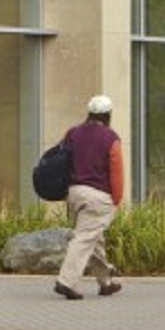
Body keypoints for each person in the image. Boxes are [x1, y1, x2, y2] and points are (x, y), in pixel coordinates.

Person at [53, 94, 124, 300]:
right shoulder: (111, 138)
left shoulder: (73, 133)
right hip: (98, 196)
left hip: (74, 193)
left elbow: (62, 160)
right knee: (84, 239)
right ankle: (67, 282)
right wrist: (117, 198)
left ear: (90, 113)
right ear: (108, 115)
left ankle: (106, 283)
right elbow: (116, 171)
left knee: (94, 238)